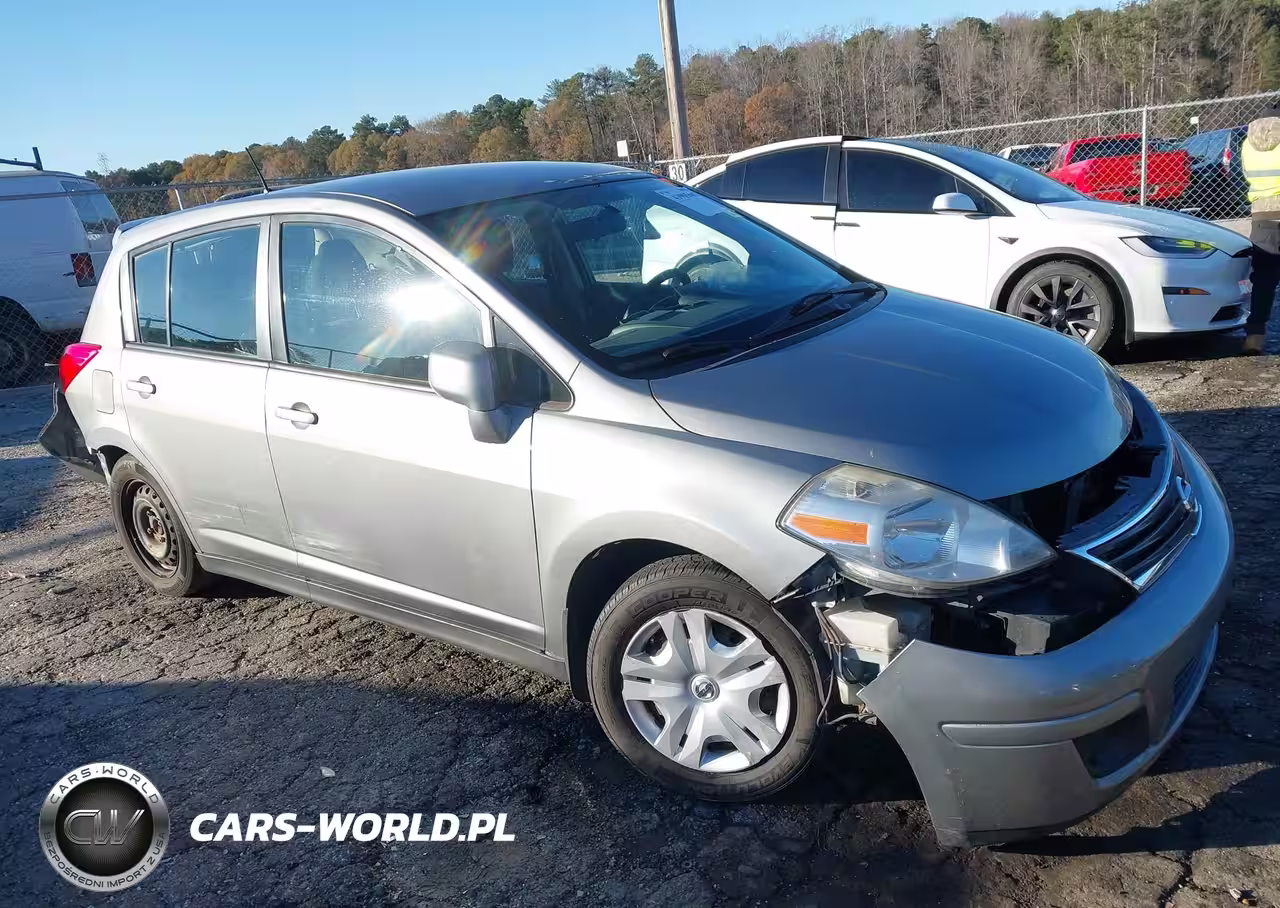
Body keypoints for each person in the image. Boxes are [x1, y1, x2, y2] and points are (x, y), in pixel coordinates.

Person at [1241, 100, 1280, 354]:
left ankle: (1255, 336)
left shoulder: (1247, 143)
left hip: (1263, 214)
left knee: (1264, 280)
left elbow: (1245, 174)